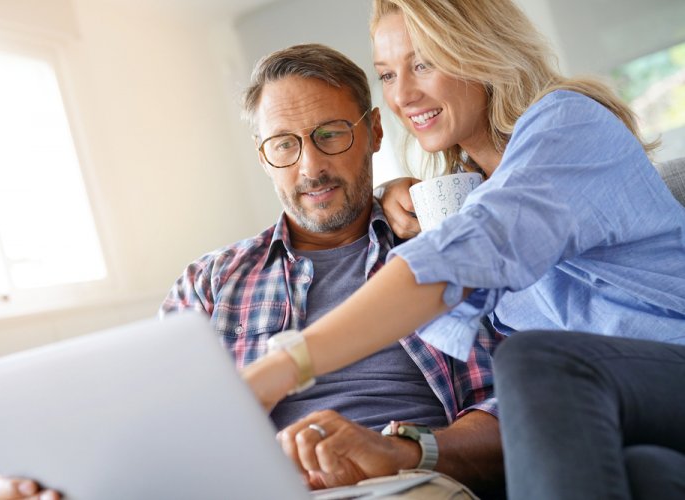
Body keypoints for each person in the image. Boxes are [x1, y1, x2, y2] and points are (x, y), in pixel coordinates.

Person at [0, 43, 506, 500]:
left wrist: (400, 450)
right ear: (263, 157)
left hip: (399, 484)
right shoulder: (209, 283)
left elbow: (510, 418)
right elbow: (161, 431)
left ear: (373, 132)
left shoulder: (436, 247)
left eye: (330, 134)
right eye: (284, 144)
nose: (310, 167)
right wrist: (57, 482)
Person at [241, 1, 685, 499]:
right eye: (388, 74)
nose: (403, 95)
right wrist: (386, 197)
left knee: (534, 362)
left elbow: (470, 248)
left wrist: (282, 367)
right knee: (648, 475)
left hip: (668, 366)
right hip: (626, 416)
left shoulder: (568, 124)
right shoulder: (458, 194)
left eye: (423, 63)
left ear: (481, 52)